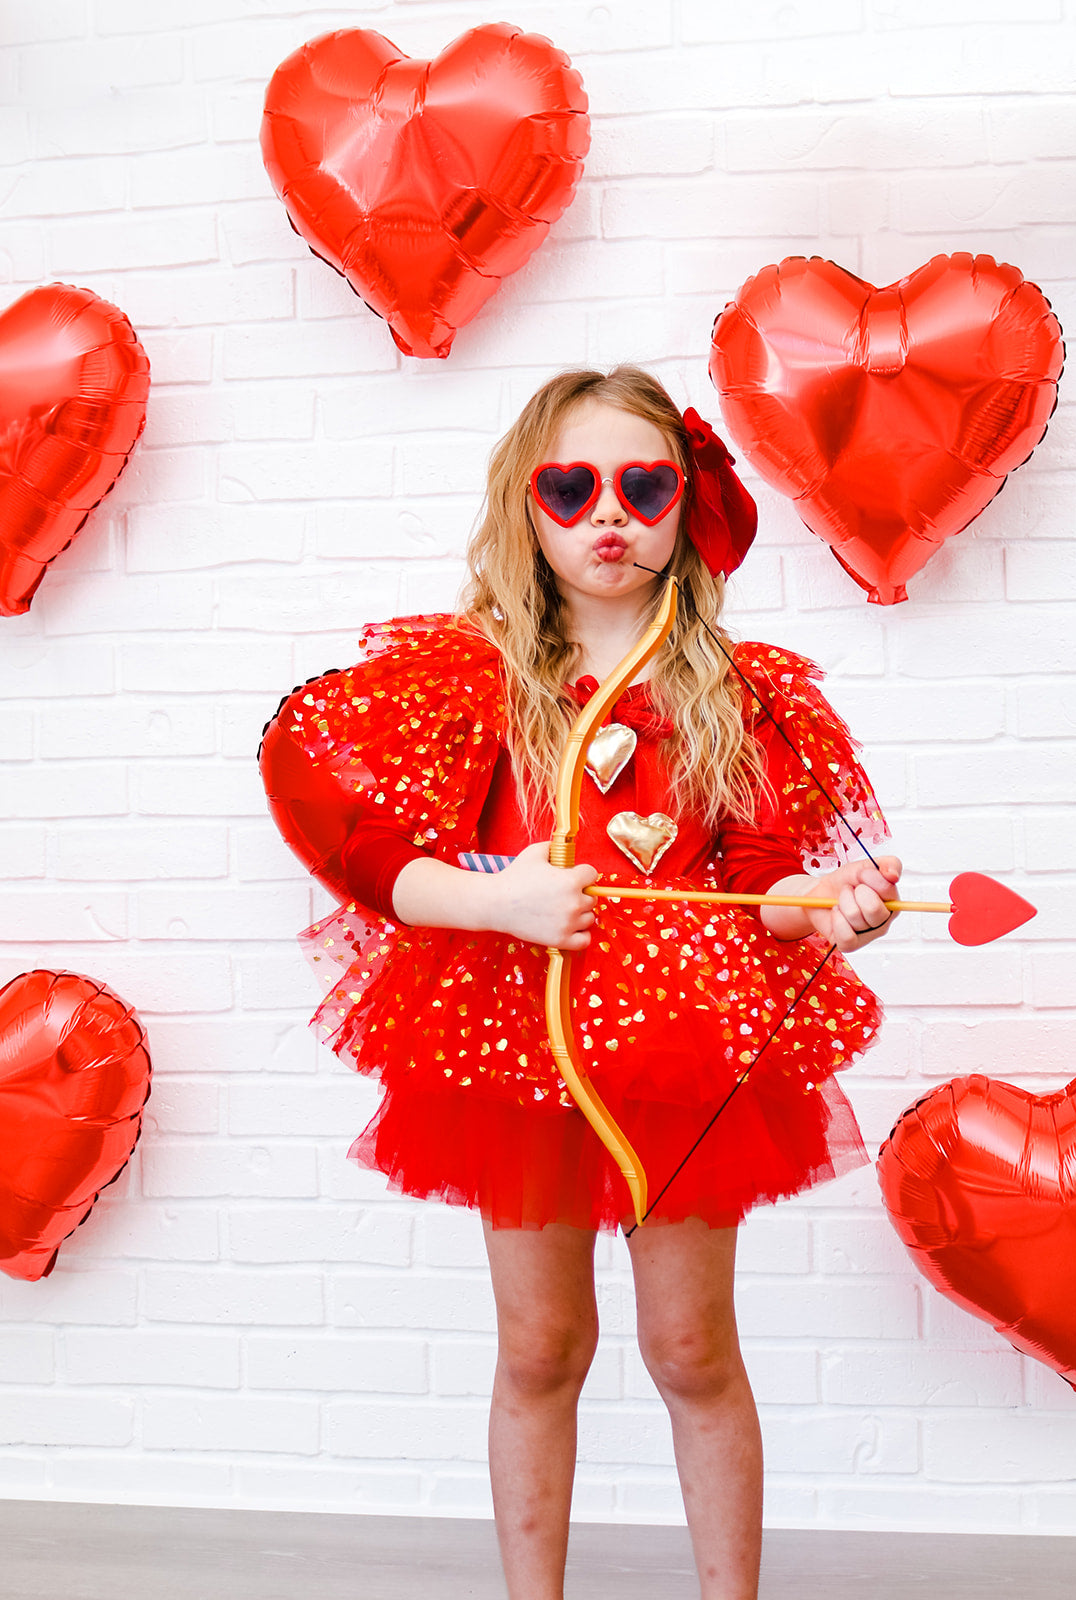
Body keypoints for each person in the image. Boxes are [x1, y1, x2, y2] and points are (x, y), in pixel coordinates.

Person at [267, 367, 901, 1600]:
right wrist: (490, 897)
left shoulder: (740, 694)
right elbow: (321, 798)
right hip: (520, 1044)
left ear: (683, 508)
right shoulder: (471, 678)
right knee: (541, 1346)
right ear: (530, 507)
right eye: (572, 486)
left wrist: (831, 909)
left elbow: (767, 884)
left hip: (679, 1049)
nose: (607, 513)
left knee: (690, 1347)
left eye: (641, 484)